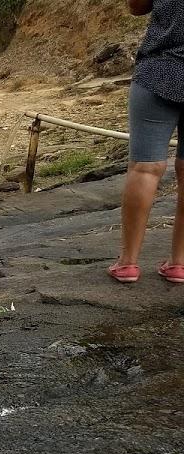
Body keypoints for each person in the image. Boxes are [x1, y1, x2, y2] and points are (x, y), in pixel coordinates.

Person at [110, 0, 184, 283]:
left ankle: (127, 263)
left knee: (145, 167)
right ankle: (179, 263)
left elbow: (137, 6)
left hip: (159, 70)